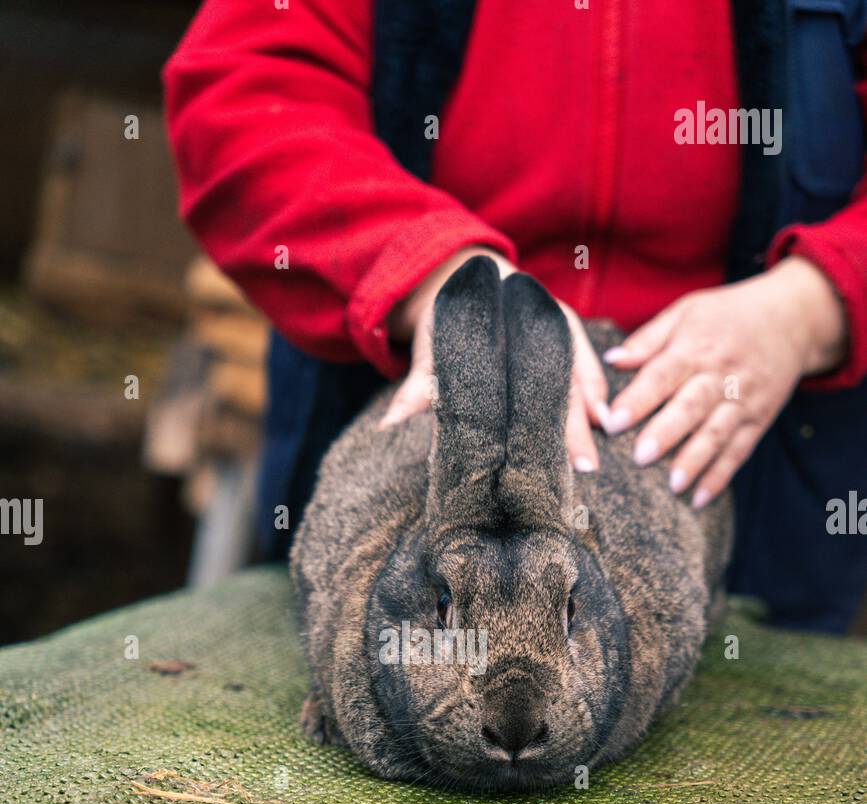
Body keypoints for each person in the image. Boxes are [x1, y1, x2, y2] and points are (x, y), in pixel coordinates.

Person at [164, 0, 867, 633]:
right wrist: (430, 271)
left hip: (772, 505)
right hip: (404, 425)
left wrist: (814, 303)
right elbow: (242, 93)